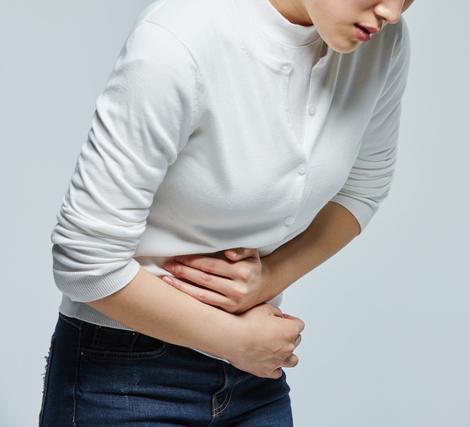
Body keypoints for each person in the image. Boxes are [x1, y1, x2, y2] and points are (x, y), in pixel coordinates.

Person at [39, 0, 413, 425]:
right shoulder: (179, 38)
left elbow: (363, 187)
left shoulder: (381, 44)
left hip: (254, 377)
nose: (393, 11)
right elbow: (84, 261)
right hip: (123, 371)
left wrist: (269, 279)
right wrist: (233, 340)